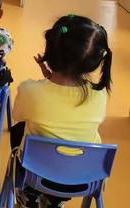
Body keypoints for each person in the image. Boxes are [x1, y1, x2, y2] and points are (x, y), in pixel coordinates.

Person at [12, 15, 112, 208]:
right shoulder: (100, 96)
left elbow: (18, 115)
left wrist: (47, 83)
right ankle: (55, 199)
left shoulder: (31, 90)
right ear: (95, 62)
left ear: (50, 53)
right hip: (82, 176)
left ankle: (31, 195)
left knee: (20, 129)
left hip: (37, 171)